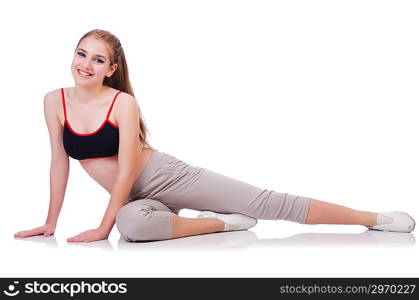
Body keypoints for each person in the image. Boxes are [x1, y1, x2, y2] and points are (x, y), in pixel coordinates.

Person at [14, 29, 415, 243]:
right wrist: (51, 223)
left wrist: (102, 228)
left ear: (111, 68)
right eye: (81, 53)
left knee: (271, 203)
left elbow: (125, 172)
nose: (85, 64)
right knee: (133, 226)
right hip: (137, 198)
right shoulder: (54, 101)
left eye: (97, 59)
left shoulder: (122, 103)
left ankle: (375, 218)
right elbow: (59, 162)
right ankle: (225, 225)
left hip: (162, 176)